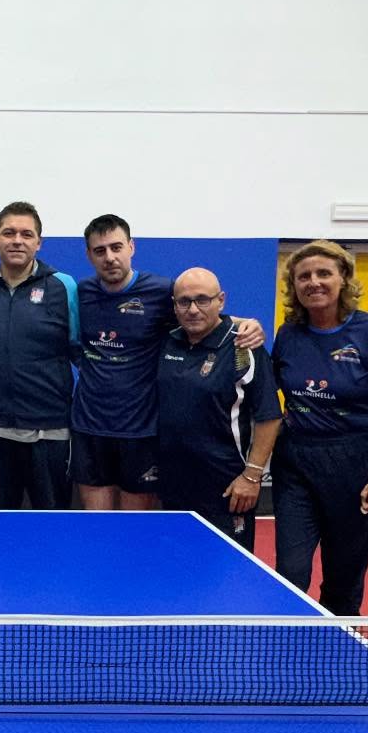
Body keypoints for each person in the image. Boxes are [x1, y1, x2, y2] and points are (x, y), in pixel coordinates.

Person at [71, 214, 264, 511]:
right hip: (90, 428)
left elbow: (202, 314)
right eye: (100, 250)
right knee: (98, 525)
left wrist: (246, 323)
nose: (109, 257)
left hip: (141, 431)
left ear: (131, 247)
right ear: (89, 255)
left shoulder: (160, 291)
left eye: (116, 247)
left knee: (135, 528)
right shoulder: (81, 292)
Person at [271, 240, 368, 615]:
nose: (313, 282)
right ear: (294, 285)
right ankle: (288, 643)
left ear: (344, 278)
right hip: (296, 464)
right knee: (290, 572)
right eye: (303, 276)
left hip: (355, 463)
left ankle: (336, 646)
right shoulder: (288, 334)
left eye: (323, 273)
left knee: (343, 582)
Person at [0, 202, 80, 509]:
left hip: (49, 431)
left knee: (50, 524)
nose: (17, 240)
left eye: (27, 234)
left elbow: (81, 352)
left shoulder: (63, 286)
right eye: (9, 233)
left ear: (39, 242)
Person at [156, 268, 281, 551]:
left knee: (225, 566)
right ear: (174, 305)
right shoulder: (167, 340)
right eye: (184, 301)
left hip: (228, 488)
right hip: (173, 485)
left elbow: (270, 417)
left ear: (221, 300)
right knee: (178, 561)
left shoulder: (244, 347)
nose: (193, 309)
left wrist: (252, 477)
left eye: (203, 300)